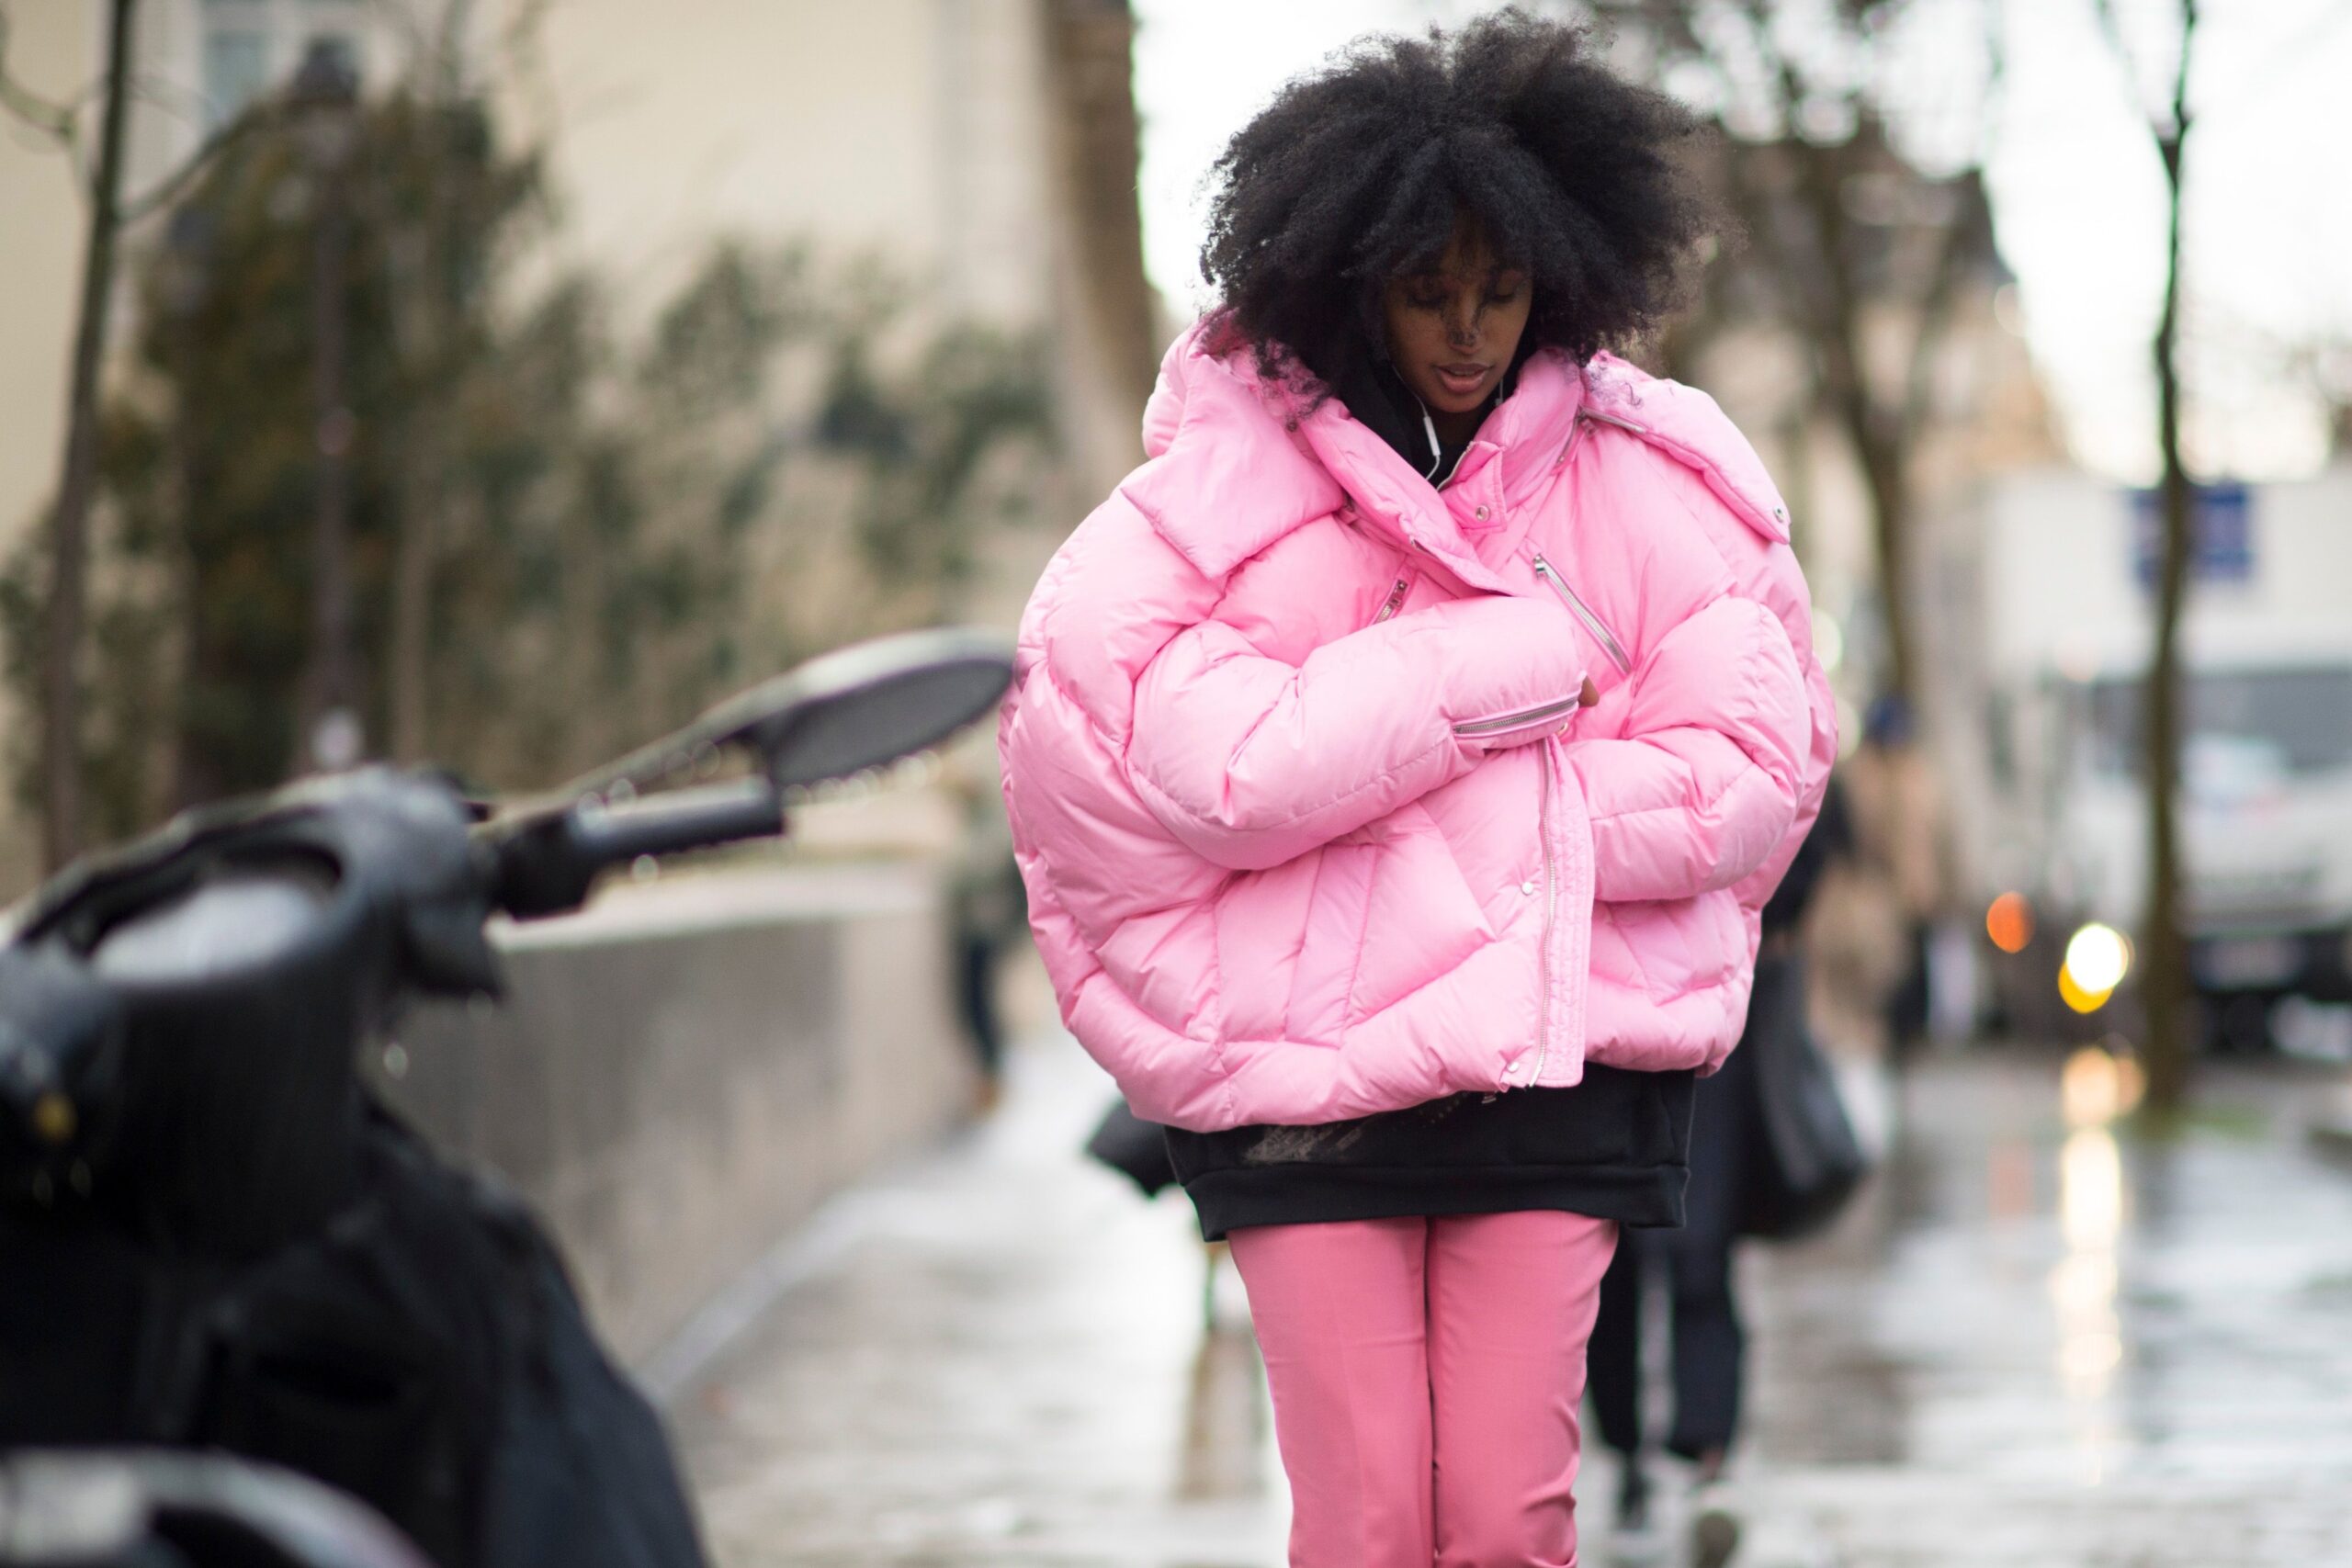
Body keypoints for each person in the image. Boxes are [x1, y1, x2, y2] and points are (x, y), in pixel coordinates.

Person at [996, 14, 1837, 1564]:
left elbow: (1752, 775)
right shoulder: (1210, 496)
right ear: (1345, 275)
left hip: (1557, 1076)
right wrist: (1504, 675)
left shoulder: (1658, 481)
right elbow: (1169, 756)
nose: (1467, 330)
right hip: (1302, 1087)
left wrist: (1457, 819)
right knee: (1369, 1517)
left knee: (1508, 1520)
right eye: (1427, 290)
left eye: (1501, 292)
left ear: (1562, 275)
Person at [1588, 777, 1853, 1566]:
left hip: (1716, 1009)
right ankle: (1634, 1452)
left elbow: (1808, 809)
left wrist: (1754, 913)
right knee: (1618, 1250)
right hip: (1609, 1010)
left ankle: (1703, 1453)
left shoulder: (1748, 670)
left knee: (1699, 1249)